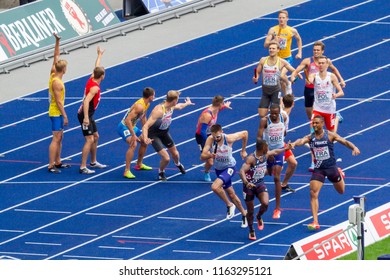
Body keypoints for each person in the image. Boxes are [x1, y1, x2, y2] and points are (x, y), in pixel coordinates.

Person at [290, 115, 360, 230]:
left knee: (341, 191)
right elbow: (301, 141)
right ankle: (315, 221)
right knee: (313, 193)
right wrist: (293, 144)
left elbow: (344, 141)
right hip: (319, 169)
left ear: (322, 123)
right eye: (313, 123)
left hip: (331, 168)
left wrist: (354, 147)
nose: (315, 125)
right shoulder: (310, 137)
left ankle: (340, 174)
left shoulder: (330, 135)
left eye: (317, 123)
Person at [239, 138, 290, 240]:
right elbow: (241, 171)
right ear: (262, 148)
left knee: (265, 203)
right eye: (267, 147)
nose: (268, 148)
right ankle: (251, 229)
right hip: (249, 186)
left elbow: (275, 151)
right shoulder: (251, 159)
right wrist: (246, 183)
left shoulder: (265, 155)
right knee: (250, 211)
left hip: (259, 183)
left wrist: (286, 148)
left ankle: (259, 216)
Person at [200, 124, 248, 227]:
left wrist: (243, 150)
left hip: (229, 167)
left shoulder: (229, 138)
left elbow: (245, 133)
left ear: (221, 132)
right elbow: (202, 156)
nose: (216, 139)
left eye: (218, 136)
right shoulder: (210, 139)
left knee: (215, 187)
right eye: (214, 136)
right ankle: (244, 214)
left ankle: (229, 205)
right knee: (231, 194)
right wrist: (210, 155)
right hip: (219, 169)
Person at [142, 90, 194, 181]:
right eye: (177, 99)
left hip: (164, 132)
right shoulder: (159, 111)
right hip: (154, 134)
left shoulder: (172, 106)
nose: (177, 101)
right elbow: (145, 126)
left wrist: (187, 103)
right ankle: (161, 172)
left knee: (176, 154)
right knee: (166, 158)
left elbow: (180, 106)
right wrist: (146, 138)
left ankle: (178, 164)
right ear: (174, 100)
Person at [290, 41, 346, 121]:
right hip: (309, 89)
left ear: (322, 51)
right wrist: (292, 77)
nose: (315, 52)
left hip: (321, 89)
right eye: (314, 50)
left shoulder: (325, 61)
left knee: (320, 111)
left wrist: (341, 80)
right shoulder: (307, 61)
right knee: (309, 112)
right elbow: (296, 71)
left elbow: (334, 69)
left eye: (318, 50)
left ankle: (334, 116)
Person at [306, 55, 344, 171]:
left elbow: (341, 92)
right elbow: (310, 79)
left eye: (323, 63)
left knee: (331, 136)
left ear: (327, 65)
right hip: (317, 108)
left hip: (329, 109)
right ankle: (314, 162)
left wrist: (335, 95)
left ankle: (336, 117)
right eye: (320, 63)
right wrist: (308, 78)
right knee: (314, 134)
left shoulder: (331, 76)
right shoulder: (315, 76)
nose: (321, 65)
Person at [77, 46, 107, 174]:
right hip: (85, 114)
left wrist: (99, 55)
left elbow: (96, 67)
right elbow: (86, 101)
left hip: (89, 113)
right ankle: (83, 167)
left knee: (96, 136)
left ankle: (93, 162)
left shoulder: (92, 78)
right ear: (102, 76)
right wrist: (86, 118)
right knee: (89, 139)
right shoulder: (94, 88)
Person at [252, 41, 301, 118]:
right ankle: (281, 103)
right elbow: (257, 72)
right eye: (270, 48)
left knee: (276, 114)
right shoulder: (263, 60)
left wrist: (297, 73)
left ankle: (281, 104)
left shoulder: (281, 62)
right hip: (265, 91)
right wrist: (256, 78)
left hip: (275, 90)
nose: (271, 50)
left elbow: (292, 69)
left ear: (278, 50)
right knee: (261, 114)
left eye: (273, 48)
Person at [257, 104, 287, 219]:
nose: (274, 115)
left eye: (276, 113)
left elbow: (284, 132)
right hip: (268, 150)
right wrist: (266, 151)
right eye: (272, 113)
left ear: (279, 112)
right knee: (269, 172)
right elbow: (259, 137)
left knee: (276, 177)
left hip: (279, 150)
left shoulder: (283, 118)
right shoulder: (265, 121)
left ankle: (277, 208)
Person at [117, 87, 155, 179]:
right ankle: (127, 171)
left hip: (133, 127)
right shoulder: (139, 106)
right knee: (133, 144)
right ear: (150, 96)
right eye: (154, 95)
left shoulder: (147, 104)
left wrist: (146, 133)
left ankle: (139, 164)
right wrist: (133, 135)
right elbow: (127, 120)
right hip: (124, 127)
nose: (154, 97)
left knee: (144, 142)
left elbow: (143, 118)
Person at [264, 9, 302, 95]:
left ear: (287, 19)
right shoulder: (273, 30)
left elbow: (299, 39)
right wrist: (273, 40)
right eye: (280, 18)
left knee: (281, 76)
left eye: (283, 18)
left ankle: (288, 83)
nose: (281, 19)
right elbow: (265, 44)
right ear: (278, 19)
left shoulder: (292, 30)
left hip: (287, 58)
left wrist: (299, 52)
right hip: (276, 59)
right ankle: (286, 96)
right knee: (281, 82)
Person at [195, 95, 232, 182]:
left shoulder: (217, 109)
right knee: (211, 161)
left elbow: (220, 108)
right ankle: (206, 172)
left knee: (216, 156)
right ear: (219, 103)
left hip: (211, 135)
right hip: (202, 136)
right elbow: (202, 131)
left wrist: (225, 106)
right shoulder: (207, 115)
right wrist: (210, 142)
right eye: (222, 103)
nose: (223, 105)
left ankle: (207, 165)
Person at [48, 33, 69, 174]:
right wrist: (65, 115)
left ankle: (58, 161)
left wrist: (57, 41)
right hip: (56, 112)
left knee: (60, 137)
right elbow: (58, 102)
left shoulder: (53, 72)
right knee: (56, 138)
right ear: (64, 70)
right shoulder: (57, 83)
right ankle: (51, 165)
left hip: (58, 112)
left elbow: (56, 56)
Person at [280, 94, 297, 192]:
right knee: (273, 170)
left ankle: (284, 184)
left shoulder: (284, 113)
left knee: (293, 163)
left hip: (282, 142)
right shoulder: (283, 115)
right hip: (276, 144)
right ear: (293, 104)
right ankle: (251, 175)